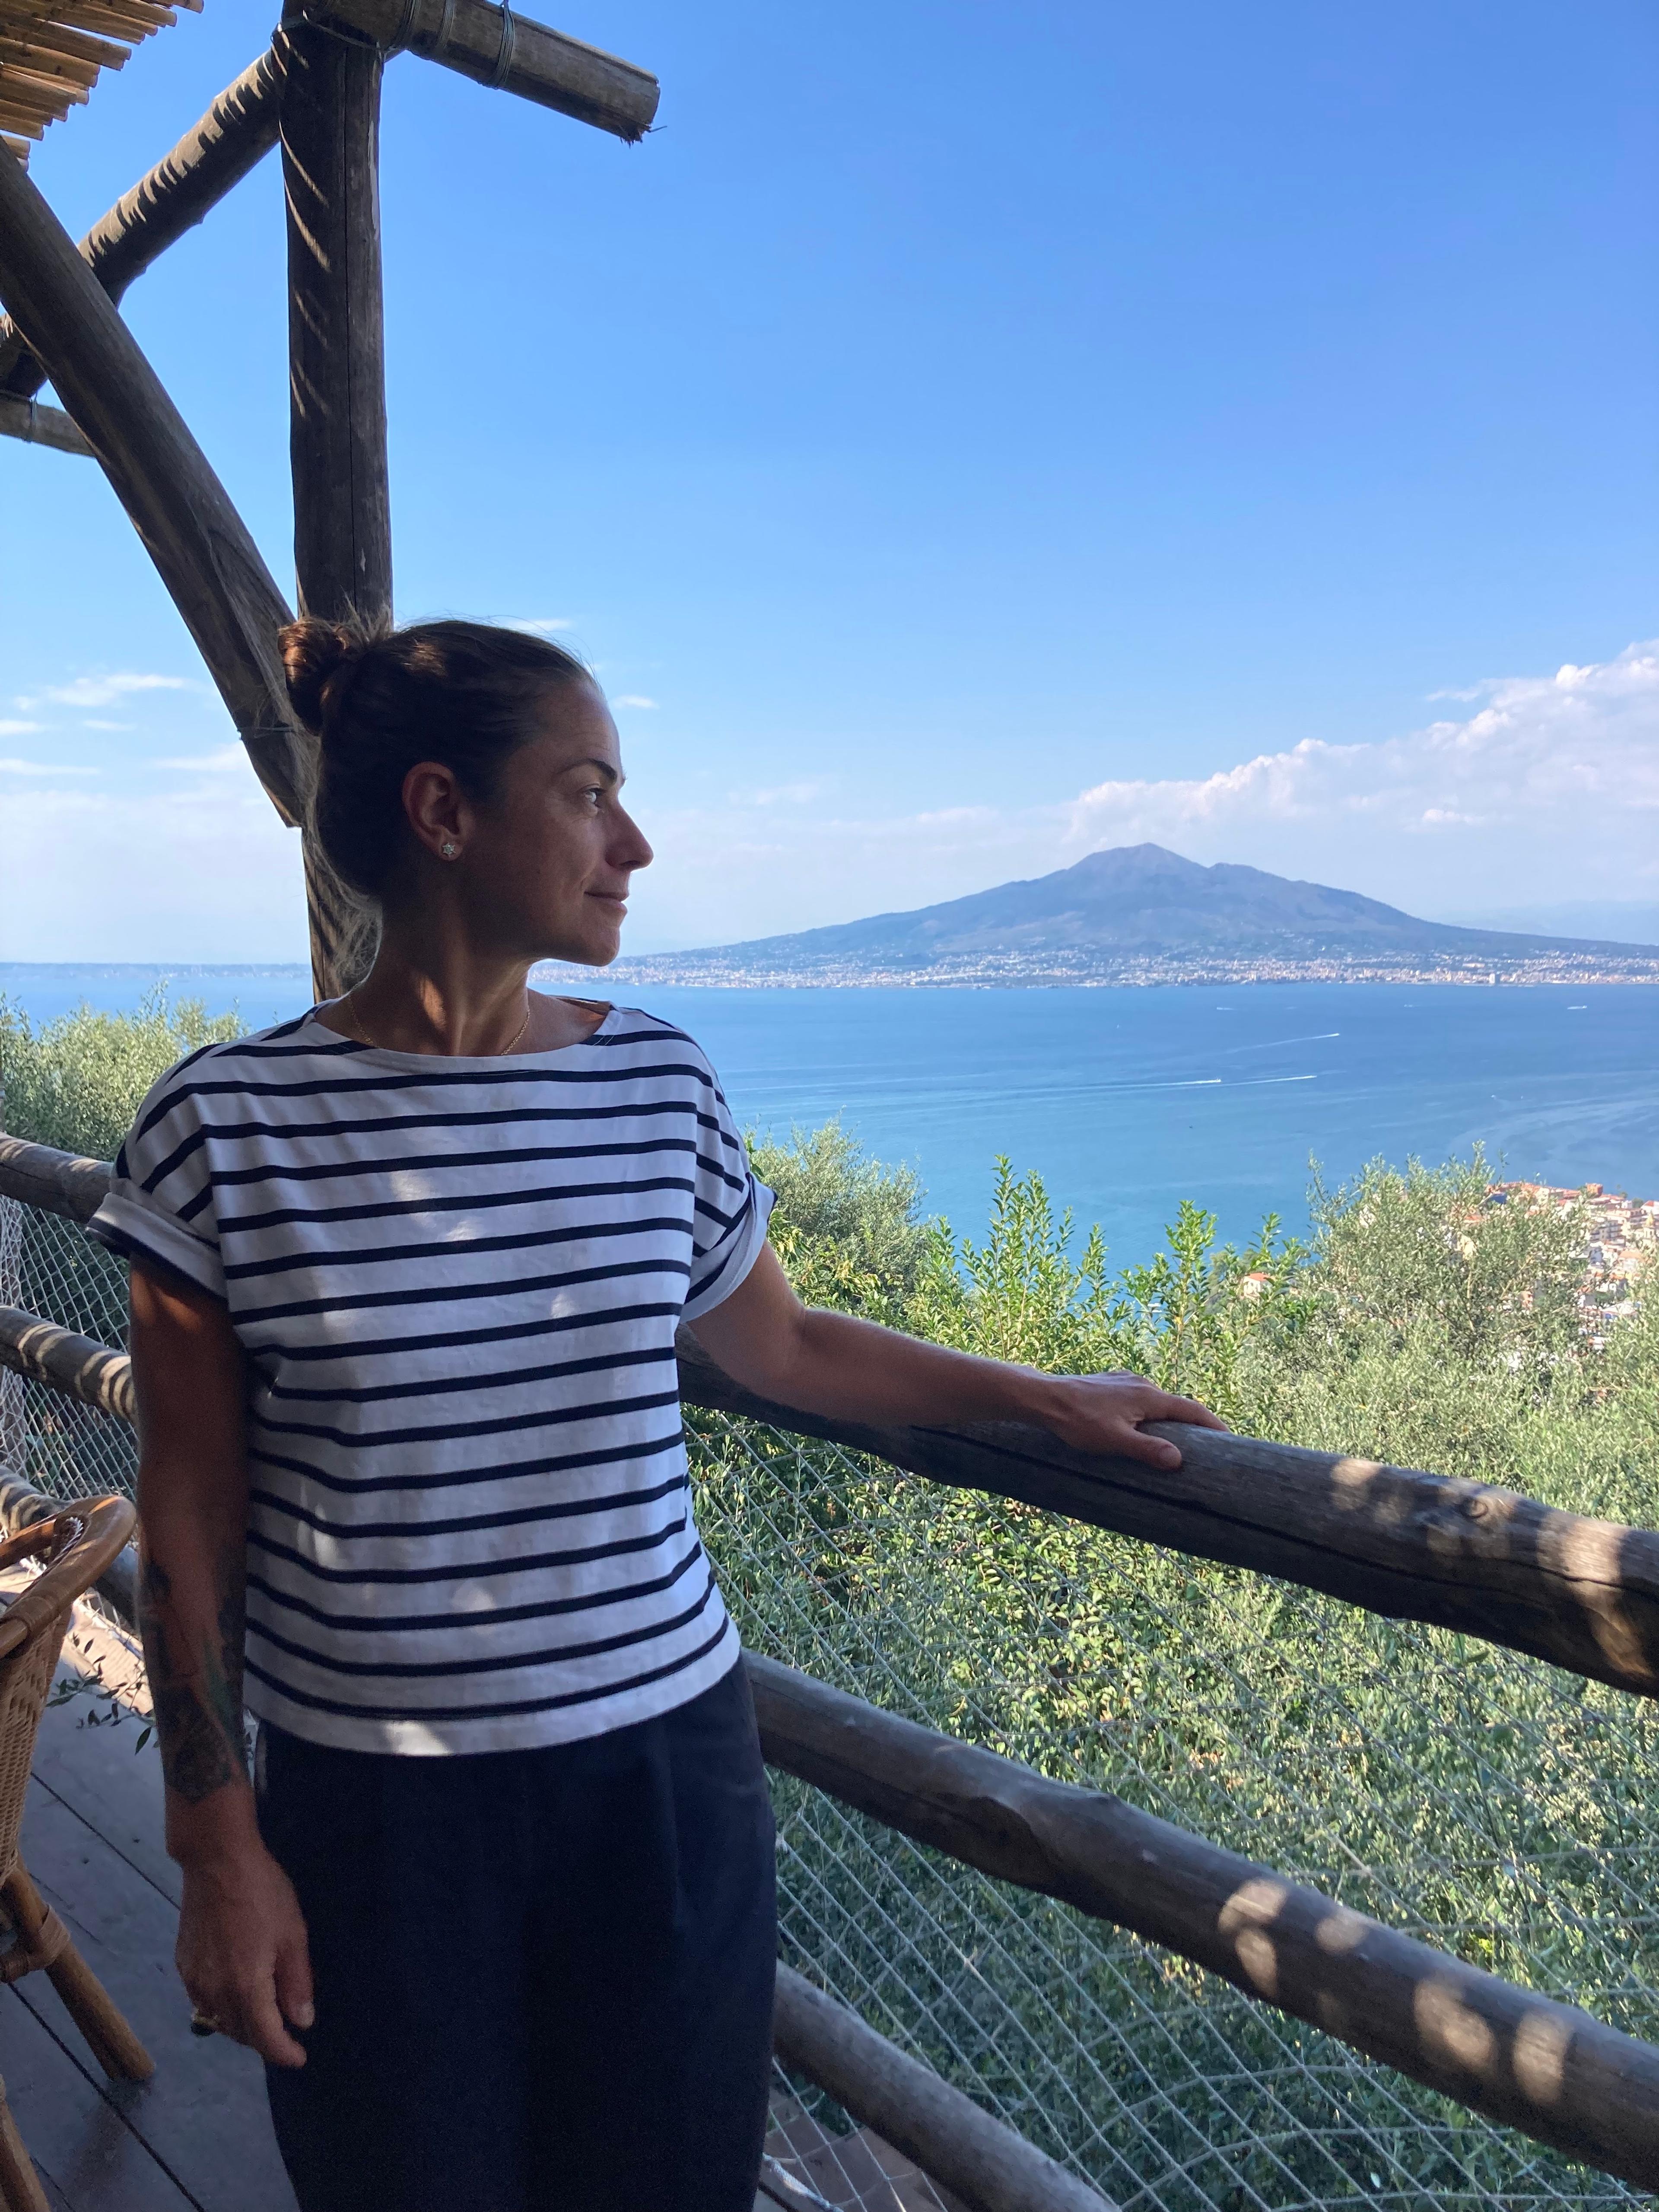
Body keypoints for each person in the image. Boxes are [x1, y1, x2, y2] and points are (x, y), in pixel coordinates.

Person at [90, 617, 1225, 2212]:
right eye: (590, 793)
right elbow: (189, 1505)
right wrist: (216, 1842)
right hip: (375, 1814)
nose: (635, 844)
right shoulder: (223, 1127)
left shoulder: (659, 1087)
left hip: (667, 1788)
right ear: (443, 812)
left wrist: (1034, 1394)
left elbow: (788, 1346)